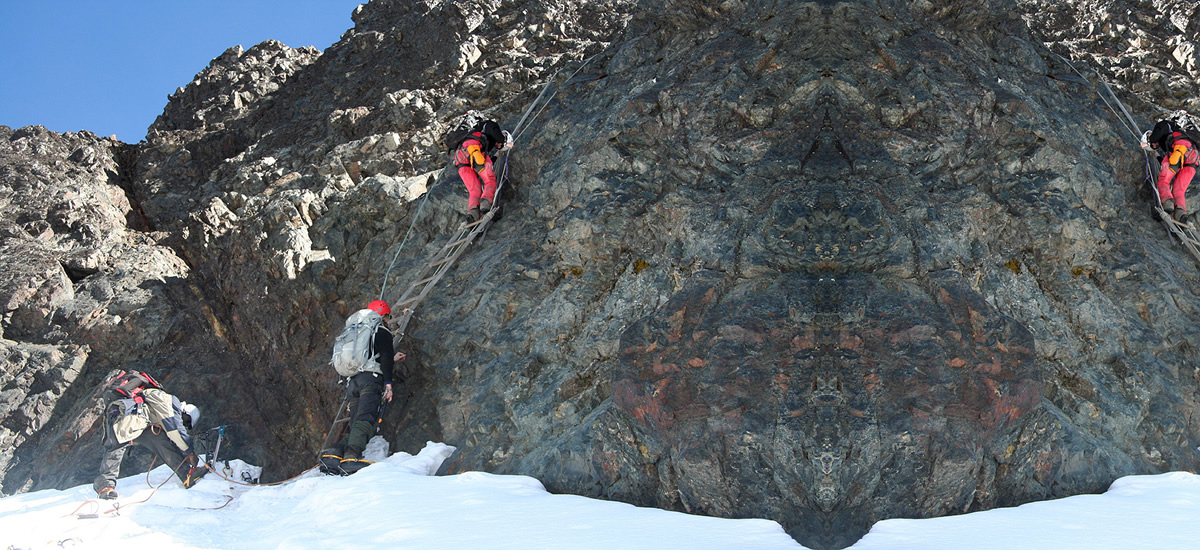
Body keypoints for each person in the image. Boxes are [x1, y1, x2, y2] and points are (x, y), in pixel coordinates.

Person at [92, 370, 207, 499]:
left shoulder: (154, 399)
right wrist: (189, 451)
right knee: (116, 449)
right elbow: (174, 428)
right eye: (185, 420)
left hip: (137, 420)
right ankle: (105, 486)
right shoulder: (169, 400)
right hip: (127, 415)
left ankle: (187, 474)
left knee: (159, 440)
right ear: (184, 412)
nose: (183, 423)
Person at [323, 299, 396, 474]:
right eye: (387, 317)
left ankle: (333, 454)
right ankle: (351, 458)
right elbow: (385, 358)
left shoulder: (357, 331)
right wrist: (388, 383)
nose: (388, 320)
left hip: (353, 381)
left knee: (356, 422)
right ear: (383, 316)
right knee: (365, 420)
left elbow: (372, 356)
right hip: (371, 380)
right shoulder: (381, 331)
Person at [451, 112, 512, 222]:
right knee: (490, 181)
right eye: (500, 145)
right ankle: (486, 203)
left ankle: (473, 213)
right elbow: (481, 163)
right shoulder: (489, 125)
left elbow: (483, 164)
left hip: (460, 156)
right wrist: (504, 142)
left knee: (474, 189)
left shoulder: (475, 133)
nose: (498, 146)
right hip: (474, 149)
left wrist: (495, 156)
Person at [1143, 118, 1199, 224]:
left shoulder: (1164, 124)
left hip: (1179, 150)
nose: (1154, 146)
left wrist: (1148, 142)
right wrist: (1158, 156)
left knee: (1163, 180)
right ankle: (1180, 214)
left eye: (1153, 144)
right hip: (1194, 157)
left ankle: (1168, 204)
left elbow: (1170, 164)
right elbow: (1170, 165)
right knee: (1179, 189)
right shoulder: (1178, 135)